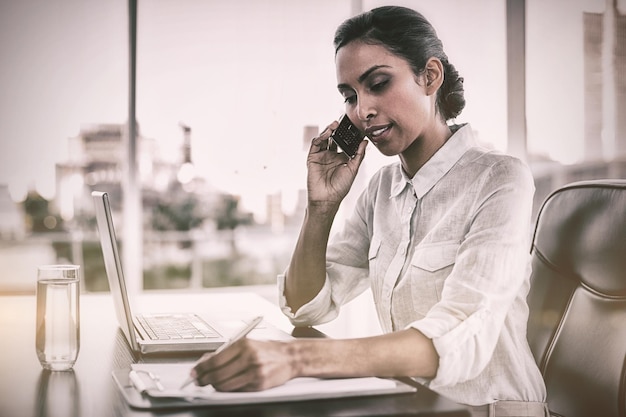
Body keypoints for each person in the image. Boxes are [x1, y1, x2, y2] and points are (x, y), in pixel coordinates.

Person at [192, 6, 547, 416]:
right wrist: (320, 207)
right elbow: (308, 306)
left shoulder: (500, 179)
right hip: (411, 404)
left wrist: (294, 361)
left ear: (430, 76)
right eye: (349, 96)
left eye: (378, 84)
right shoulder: (382, 189)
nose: (362, 111)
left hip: (487, 409)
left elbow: (459, 336)